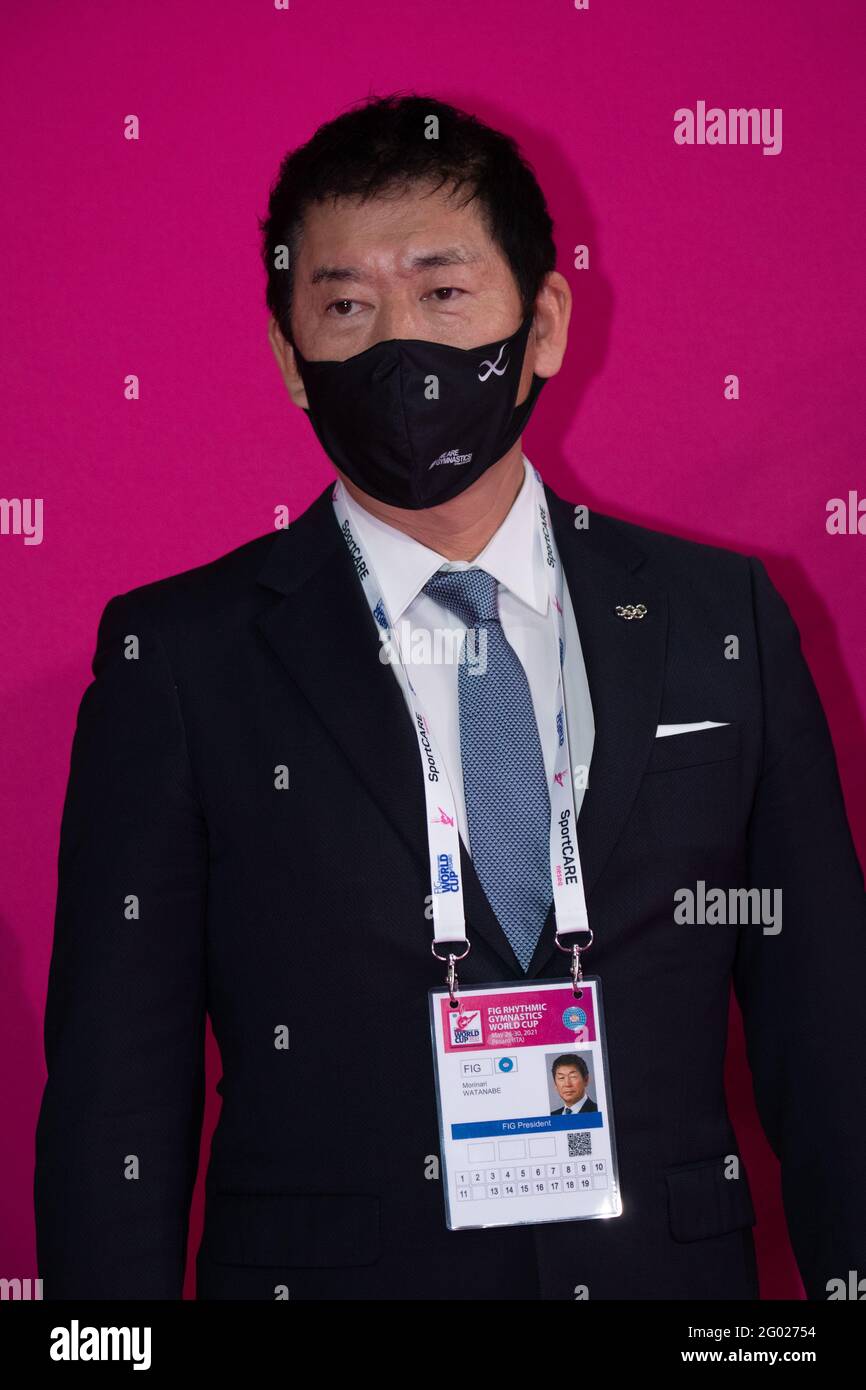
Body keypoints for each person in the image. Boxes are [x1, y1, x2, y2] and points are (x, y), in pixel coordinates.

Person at [34, 93, 866, 1301]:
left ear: (543, 323)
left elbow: (828, 1030)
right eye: (343, 307)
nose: (396, 349)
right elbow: (118, 1090)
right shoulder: (178, 658)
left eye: (440, 293)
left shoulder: (717, 617)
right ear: (288, 358)